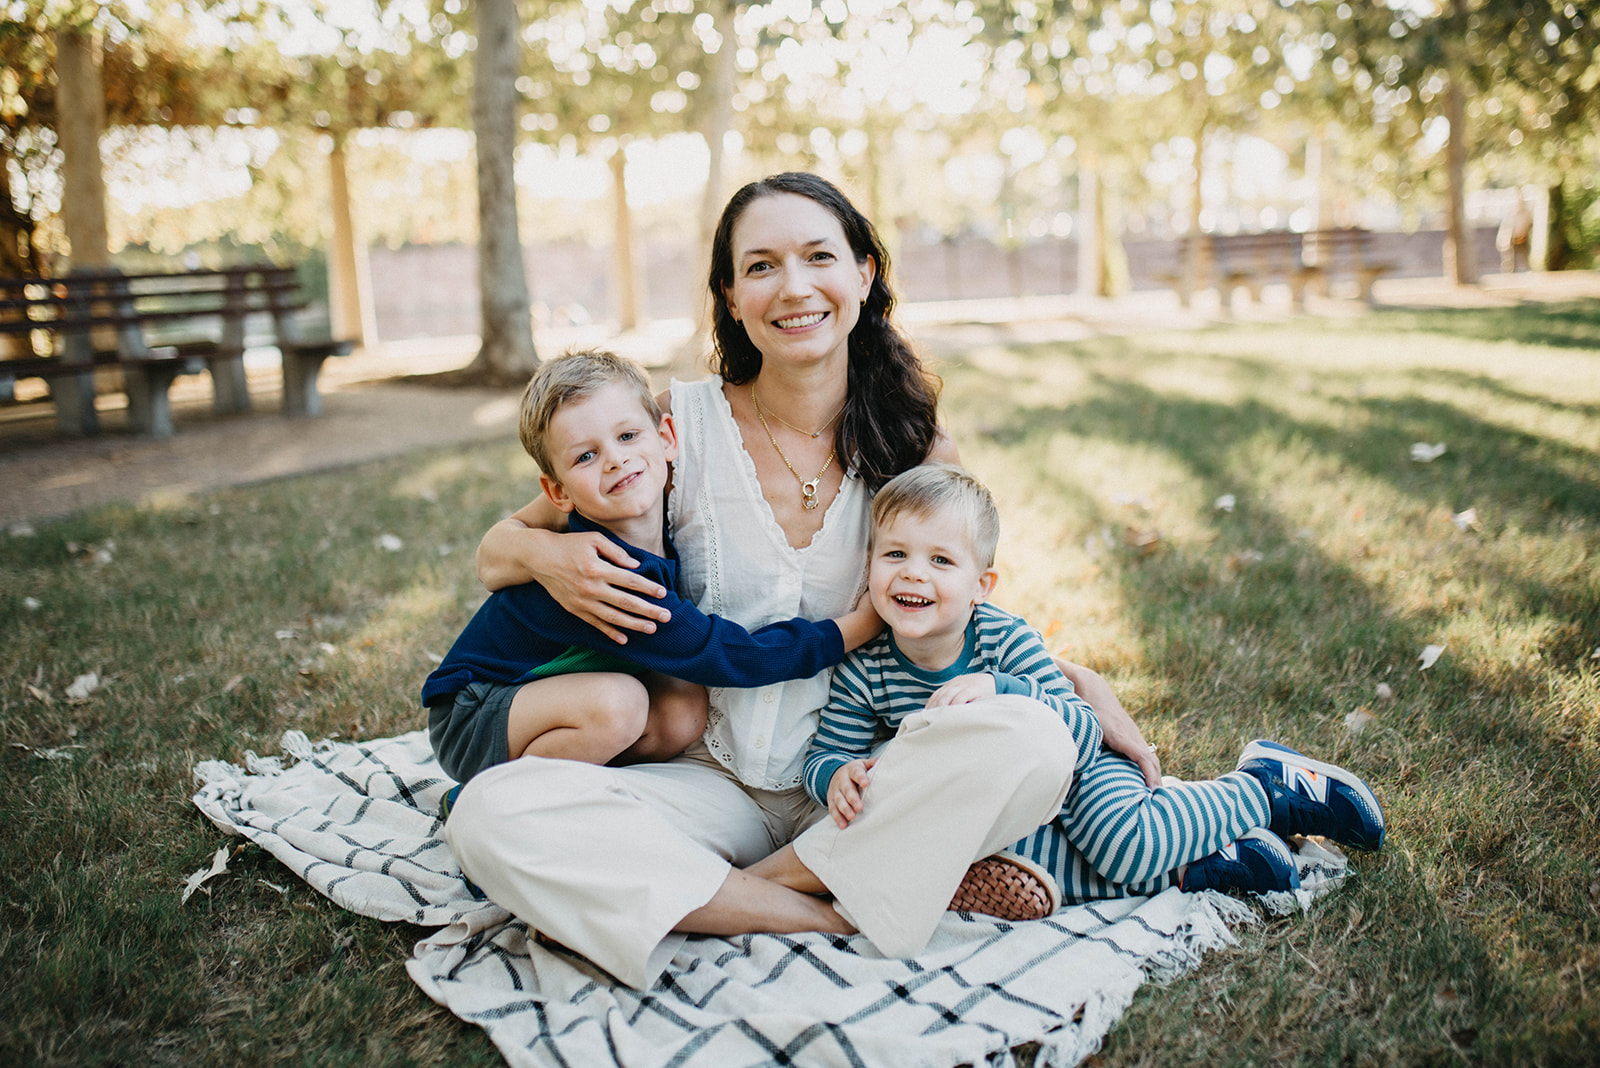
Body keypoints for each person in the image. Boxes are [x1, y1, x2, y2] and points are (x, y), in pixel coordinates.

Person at [446, 172, 1161, 990]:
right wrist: (548, 557)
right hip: (704, 781)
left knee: (1032, 740)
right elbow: (498, 549)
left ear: (863, 274)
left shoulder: (915, 446)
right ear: (730, 293)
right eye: (760, 266)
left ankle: (747, 886)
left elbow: (959, 611)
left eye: (818, 256)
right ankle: (830, 897)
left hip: (859, 781)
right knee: (490, 816)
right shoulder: (675, 427)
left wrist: (1076, 679)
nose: (793, 287)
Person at [746, 463, 1386, 957]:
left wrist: (1003, 690)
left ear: (981, 585)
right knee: (1035, 872)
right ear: (870, 567)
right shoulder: (868, 669)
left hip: (1084, 772)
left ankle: (1265, 789)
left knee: (1123, 845)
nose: (914, 575)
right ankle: (1200, 864)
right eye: (896, 555)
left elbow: (1077, 724)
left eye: (941, 560)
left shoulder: (1002, 638)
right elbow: (830, 749)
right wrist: (835, 776)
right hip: (1015, 804)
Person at [422, 350, 882, 792]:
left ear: (666, 438)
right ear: (558, 491)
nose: (616, 459)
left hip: (542, 698)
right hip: (474, 712)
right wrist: (851, 629)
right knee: (617, 707)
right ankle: (494, 798)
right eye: (586, 456)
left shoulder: (652, 518)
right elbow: (730, 656)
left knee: (681, 712)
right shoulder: (611, 574)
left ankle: (581, 786)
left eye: (627, 437)